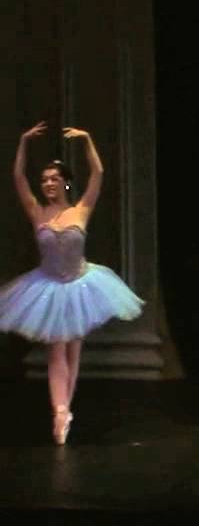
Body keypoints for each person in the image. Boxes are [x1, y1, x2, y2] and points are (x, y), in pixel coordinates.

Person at [1, 122, 143, 445]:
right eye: (44, 179)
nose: (48, 183)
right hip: (48, 286)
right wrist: (22, 142)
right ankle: (60, 412)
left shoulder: (81, 209)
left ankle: (66, 408)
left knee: (73, 351)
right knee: (56, 350)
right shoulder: (37, 211)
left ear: (65, 182)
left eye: (54, 178)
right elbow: (18, 177)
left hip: (80, 284)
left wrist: (88, 139)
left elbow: (98, 173)